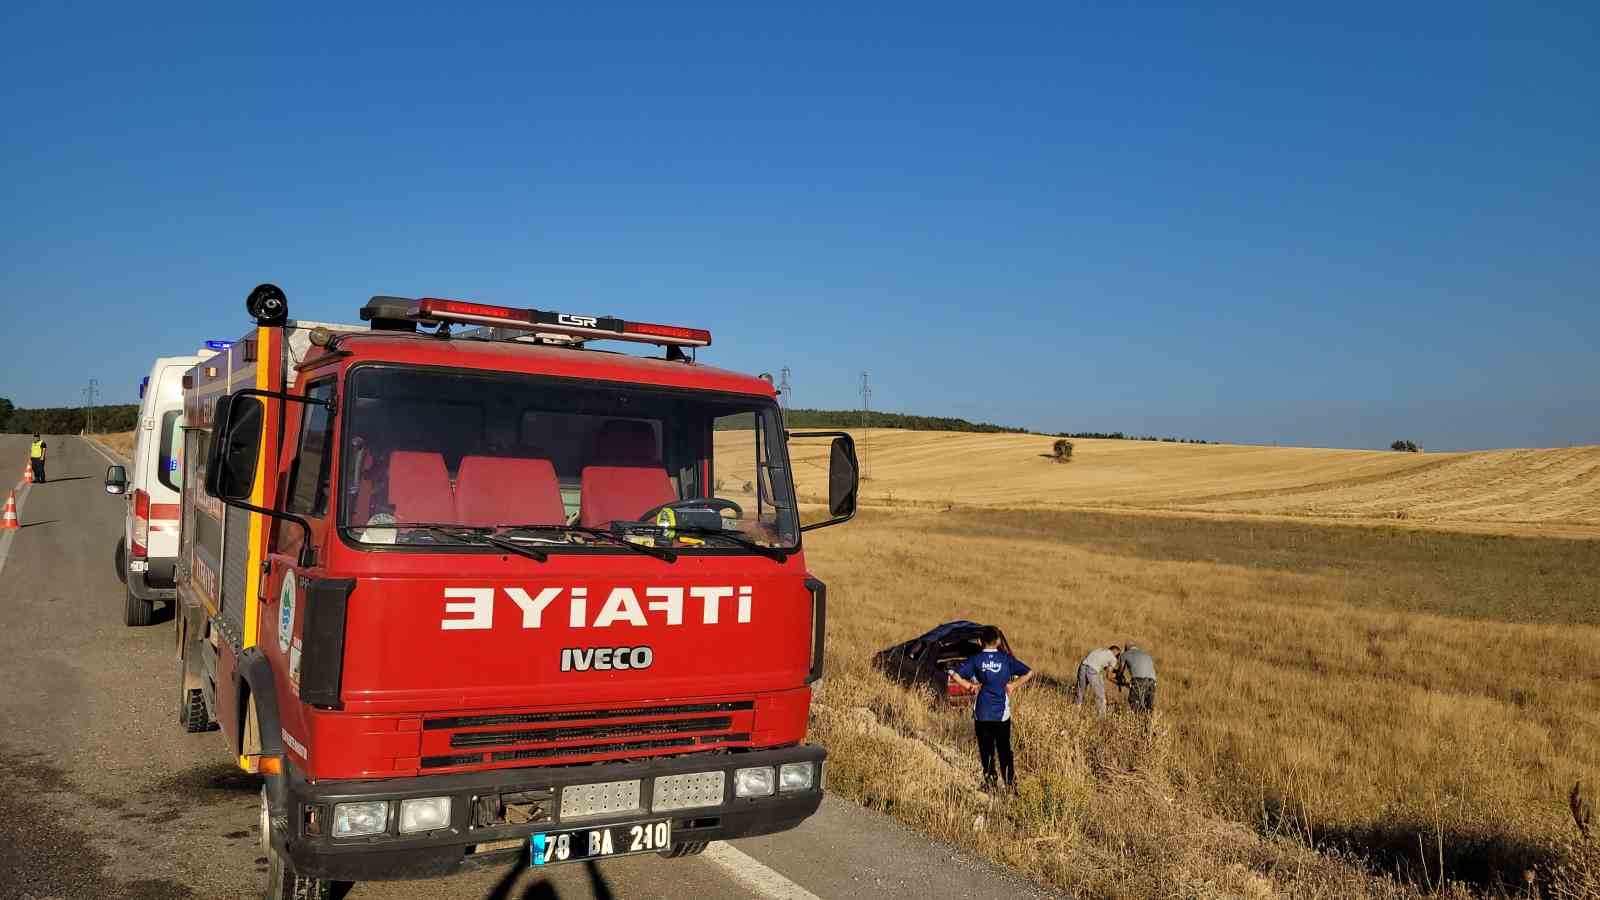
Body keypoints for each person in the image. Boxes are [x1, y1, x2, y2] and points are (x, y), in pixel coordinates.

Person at [948, 626, 1033, 790]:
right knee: (1004, 749)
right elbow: (1029, 672)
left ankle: (990, 782)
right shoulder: (1005, 659)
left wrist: (969, 686)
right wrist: (1013, 685)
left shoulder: (976, 659)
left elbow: (954, 673)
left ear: (980, 642)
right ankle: (1010, 785)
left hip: (982, 712)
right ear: (999, 641)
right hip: (1002, 713)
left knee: (986, 749)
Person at [1074, 645, 1120, 714]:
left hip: (1083, 665)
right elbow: (1108, 676)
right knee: (1100, 696)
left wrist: (1115, 671)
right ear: (1115, 651)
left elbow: (1104, 666)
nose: (1118, 657)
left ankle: (1075, 711)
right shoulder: (1113, 658)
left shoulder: (1100, 650)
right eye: (1118, 654)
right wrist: (1118, 682)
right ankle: (1102, 718)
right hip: (1093, 670)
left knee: (1080, 691)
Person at [1115, 642, 1158, 714]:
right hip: (1153, 682)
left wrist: (1118, 677)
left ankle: (1138, 721)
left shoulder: (1125, 654)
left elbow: (1120, 671)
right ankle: (1148, 723)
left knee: (1134, 702)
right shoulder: (1146, 654)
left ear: (1126, 649)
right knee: (1148, 707)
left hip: (1139, 681)